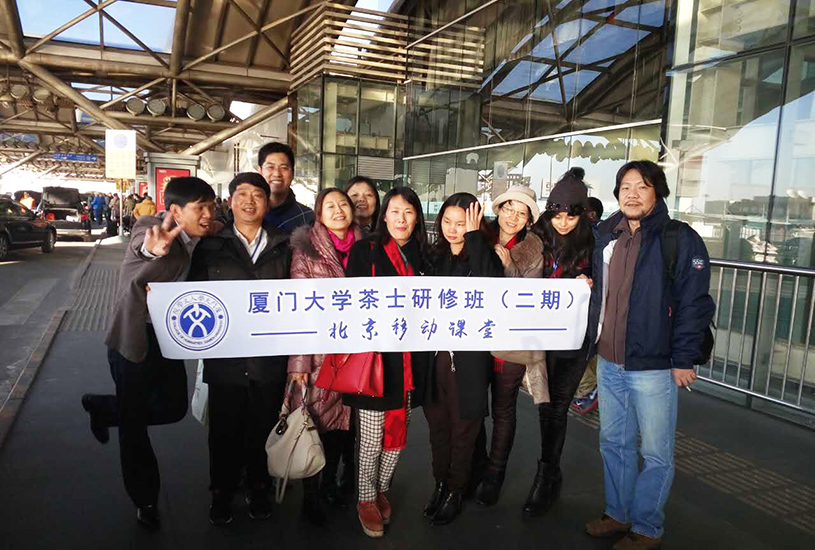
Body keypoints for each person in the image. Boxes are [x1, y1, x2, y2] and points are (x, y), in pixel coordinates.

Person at [584, 160, 715, 550]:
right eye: (625, 187)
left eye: (641, 186)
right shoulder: (606, 236)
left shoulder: (679, 238)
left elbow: (695, 302)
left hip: (655, 365)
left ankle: (647, 527)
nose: (632, 194)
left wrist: (684, 358)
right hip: (609, 361)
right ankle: (618, 513)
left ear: (657, 192)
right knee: (613, 443)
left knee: (655, 452)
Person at [80, 177, 217, 530]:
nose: (208, 214)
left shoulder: (204, 236)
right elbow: (144, 244)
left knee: (173, 408)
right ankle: (145, 499)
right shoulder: (150, 227)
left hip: (168, 342)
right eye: (200, 208)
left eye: (212, 206)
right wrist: (152, 250)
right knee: (134, 426)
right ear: (175, 211)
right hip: (133, 339)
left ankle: (104, 408)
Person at [188, 173, 291, 526]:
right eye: (242, 194)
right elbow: (191, 294)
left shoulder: (284, 245)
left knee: (263, 427)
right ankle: (221, 490)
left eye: (258, 195)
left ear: (268, 202)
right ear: (230, 201)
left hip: (269, 358)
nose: (249, 201)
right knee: (223, 430)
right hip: (226, 358)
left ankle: (258, 487)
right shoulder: (210, 246)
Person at [344, 187, 433, 539]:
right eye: (395, 211)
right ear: (384, 215)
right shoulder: (365, 250)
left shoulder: (424, 256)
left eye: (408, 212)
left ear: (417, 218)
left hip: (409, 362)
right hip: (375, 360)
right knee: (370, 438)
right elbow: (350, 300)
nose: (401, 219)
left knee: (398, 436)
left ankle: (381, 488)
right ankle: (365, 498)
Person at [423, 193, 503, 526]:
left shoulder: (485, 257)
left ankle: (456, 490)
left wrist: (474, 239)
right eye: (447, 221)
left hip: (469, 362)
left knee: (464, 430)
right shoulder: (433, 256)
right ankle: (440, 483)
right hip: (435, 360)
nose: (453, 229)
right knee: (438, 428)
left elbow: (492, 285)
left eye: (462, 223)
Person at [288, 187, 363, 525]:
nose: (338, 210)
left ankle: (330, 483)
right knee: (314, 423)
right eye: (330, 206)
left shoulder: (367, 246)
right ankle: (311, 494)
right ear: (318, 214)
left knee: (342, 427)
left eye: (343, 204)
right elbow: (299, 310)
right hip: (318, 355)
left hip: (356, 354)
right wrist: (299, 362)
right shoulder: (306, 250)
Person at [523, 167, 594, 518]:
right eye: (557, 214)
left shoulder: (594, 244)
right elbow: (515, 270)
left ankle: (545, 475)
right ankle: (550, 472)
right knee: (544, 405)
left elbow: (606, 286)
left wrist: (590, 282)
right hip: (539, 337)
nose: (563, 222)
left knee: (558, 406)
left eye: (571, 215)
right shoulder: (535, 238)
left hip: (573, 339)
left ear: (582, 214)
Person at [474, 185, 543, 507]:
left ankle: (495, 473)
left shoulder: (533, 249)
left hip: (510, 340)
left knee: (503, 408)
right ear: (498, 209)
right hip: (474, 336)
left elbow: (530, 297)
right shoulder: (479, 236)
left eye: (521, 213)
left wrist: (509, 267)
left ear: (529, 220)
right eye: (509, 209)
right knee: (474, 406)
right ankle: (475, 465)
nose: (513, 217)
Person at [572, 195, 605, 414]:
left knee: (582, 349)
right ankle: (589, 390)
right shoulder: (603, 234)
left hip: (587, 301)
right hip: (593, 302)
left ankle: (587, 391)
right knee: (590, 349)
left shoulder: (590, 236)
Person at [257, 142, 314, 233]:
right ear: (259, 171)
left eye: (284, 168)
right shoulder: (246, 213)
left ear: (292, 173)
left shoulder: (307, 218)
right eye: (270, 167)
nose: (277, 174)